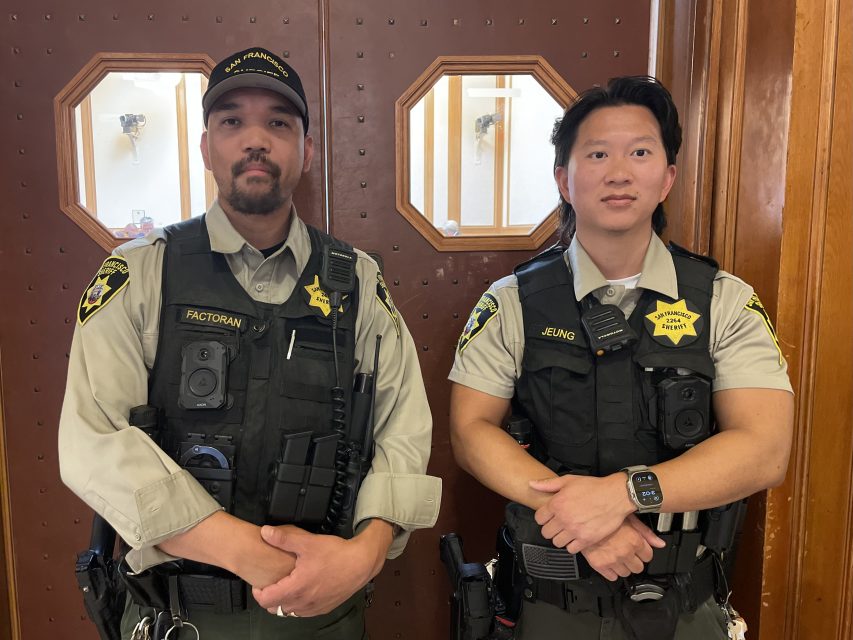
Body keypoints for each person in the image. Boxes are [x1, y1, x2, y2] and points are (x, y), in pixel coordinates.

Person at [59, 46, 441, 639]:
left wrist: (366, 550)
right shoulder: (140, 273)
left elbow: (403, 425)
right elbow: (95, 440)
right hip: (180, 614)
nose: (255, 139)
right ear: (207, 145)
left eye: (279, 124)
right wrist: (249, 553)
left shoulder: (356, 279)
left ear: (306, 151)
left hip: (324, 612)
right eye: (232, 121)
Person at [448, 76, 793, 639]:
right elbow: (470, 431)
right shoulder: (511, 302)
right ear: (564, 179)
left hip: (686, 607)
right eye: (598, 153)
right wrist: (582, 522)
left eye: (640, 152)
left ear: (667, 178)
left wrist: (622, 494)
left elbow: (764, 450)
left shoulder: (725, 300)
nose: (618, 171)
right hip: (550, 605)